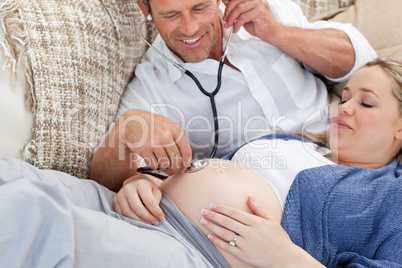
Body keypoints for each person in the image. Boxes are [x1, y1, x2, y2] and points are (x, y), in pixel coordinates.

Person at [112, 58, 402, 267]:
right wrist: (145, 180)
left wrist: (288, 259)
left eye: (365, 103)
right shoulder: (292, 142)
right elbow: (194, 170)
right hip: (141, 214)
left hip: (195, 252)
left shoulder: (391, 196)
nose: (344, 108)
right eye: (345, 98)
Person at [90, 0, 377, 191]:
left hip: (363, 159)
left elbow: (361, 60)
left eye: (200, 7)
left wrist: (277, 33)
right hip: (284, 194)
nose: (190, 28)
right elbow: (104, 180)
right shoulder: (152, 86)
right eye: (171, 15)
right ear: (145, 9)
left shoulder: (263, 9)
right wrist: (127, 128)